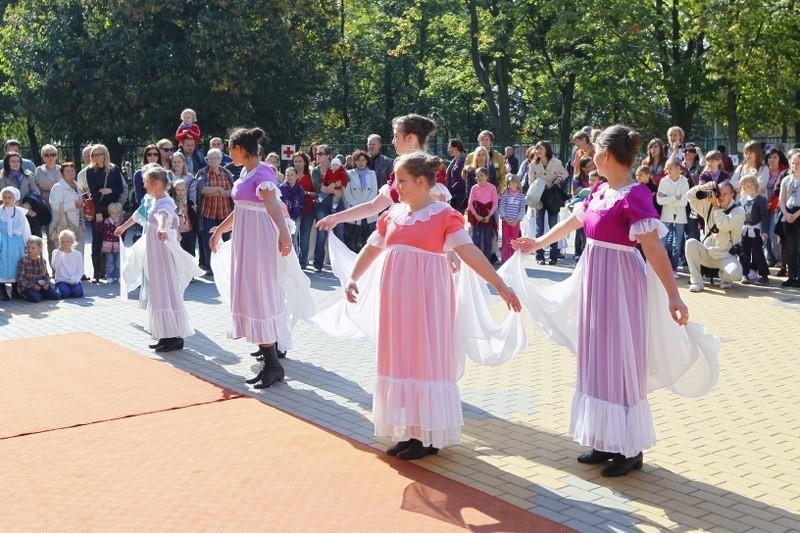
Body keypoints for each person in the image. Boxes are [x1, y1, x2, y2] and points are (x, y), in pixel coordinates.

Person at [511, 124, 716, 477]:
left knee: (620, 359)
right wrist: (537, 243)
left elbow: (654, 249)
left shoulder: (635, 195)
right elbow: (574, 223)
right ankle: (605, 440)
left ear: (606, 155)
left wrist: (673, 295)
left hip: (621, 284)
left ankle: (630, 448)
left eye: (593, 153)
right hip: (595, 280)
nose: (590, 158)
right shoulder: (599, 190)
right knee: (596, 356)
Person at [343, 151, 520, 460]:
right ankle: (410, 430)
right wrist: (353, 277)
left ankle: (428, 436)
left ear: (422, 182)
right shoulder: (392, 215)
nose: (396, 187)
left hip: (428, 300)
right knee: (400, 358)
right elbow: (372, 249)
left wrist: (501, 286)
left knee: (424, 357)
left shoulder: (444, 214)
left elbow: (470, 253)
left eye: (402, 181)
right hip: (396, 302)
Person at [209, 127, 295, 389]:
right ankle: (269, 362)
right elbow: (240, 209)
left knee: (261, 294)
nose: (228, 153)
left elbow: (272, 206)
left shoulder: (263, 172)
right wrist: (220, 231)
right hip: (246, 240)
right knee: (250, 294)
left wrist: (284, 234)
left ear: (238, 149)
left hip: (259, 240)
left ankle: (273, 365)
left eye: (230, 148)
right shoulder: (245, 173)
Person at [116, 164, 200, 352]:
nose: (144, 186)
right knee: (158, 291)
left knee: (165, 291)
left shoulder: (165, 202)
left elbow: (164, 216)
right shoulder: (153, 200)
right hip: (155, 253)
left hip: (162, 253)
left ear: (155, 183)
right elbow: (140, 214)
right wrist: (123, 227)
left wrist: (162, 227)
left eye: (146, 182)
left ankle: (174, 336)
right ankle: (166, 334)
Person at [685, 181, 745, 292]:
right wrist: (703, 187)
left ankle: (725, 277)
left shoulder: (739, 211)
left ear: (732, 194)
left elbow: (723, 225)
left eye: (725, 194)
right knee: (690, 243)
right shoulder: (709, 205)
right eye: (718, 193)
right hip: (708, 253)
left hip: (725, 256)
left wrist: (716, 206)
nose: (720, 197)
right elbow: (689, 196)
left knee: (736, 274)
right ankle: (697, 282)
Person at [85, 144, 125, 283]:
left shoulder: (114, 169)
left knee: (115, 239)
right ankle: (97, 273)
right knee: (97, 240)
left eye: (99, 154)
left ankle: (116, 272)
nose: (97, 157)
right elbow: (94, 193)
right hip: (99, 208)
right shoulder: (90, 171)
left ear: (105, 154)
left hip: (113, 209)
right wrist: (97, 211)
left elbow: (120, 188)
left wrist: (110, 191)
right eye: (94, 155)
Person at [528, 141, 569, 265]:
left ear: (547, 149)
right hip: (539, 196)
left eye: (541, 148)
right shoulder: (533, 164)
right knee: (539, 227)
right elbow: (530, 181)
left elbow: (565, 173)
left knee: (553, 227)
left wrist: (557, 180)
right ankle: (539, 255)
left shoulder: (556, 162)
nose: (538, 151)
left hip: (553, 197)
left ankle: (553, 256)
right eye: (537, 149)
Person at [195, 148, 234, 274]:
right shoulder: (203, 173)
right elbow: (201, 190)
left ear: (220, 159)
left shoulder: (227, 173)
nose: (213, 160)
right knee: (209, 239)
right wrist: (219, 189)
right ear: (207, 159)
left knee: (225, 239)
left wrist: (217, 192)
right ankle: (211, 267)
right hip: (208, 212)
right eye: (211, 158)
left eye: (216, 158)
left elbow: (231, 193)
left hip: (225, 212)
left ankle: (224, 266)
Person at [657, 158, 690, 276]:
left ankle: (674, 269)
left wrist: (667, 198)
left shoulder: (684, 181)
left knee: (677, 244)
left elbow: (685, 202)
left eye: (670, 168)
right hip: (666, 217)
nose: (667, 170)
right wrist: (675, 197)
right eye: (667, 168)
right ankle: (664, 268)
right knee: (665, 243)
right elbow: (659, 200)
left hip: (680, 217)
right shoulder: (663, 181)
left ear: (678, 169)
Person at [342, 149, 378, 253]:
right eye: (358, 160)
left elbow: (374, 191)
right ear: (354, 161)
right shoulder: (349, 174)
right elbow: (347, 192)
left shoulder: (372, 174)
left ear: (367, 161)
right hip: (354, 209)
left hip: (369, 211)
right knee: (352, 241)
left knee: (368, 240)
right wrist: (357, 206)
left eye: (363, 160)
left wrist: (366, 205)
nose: (361, 162)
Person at [48, 163, 85, 260]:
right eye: (67, 171)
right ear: (62, 174)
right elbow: (55, 207)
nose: (70, 173)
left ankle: (79, 274)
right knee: (65, 254)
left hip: (79, 223)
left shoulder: (77, 185)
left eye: (72, 170)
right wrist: (74, 204)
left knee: (79, 252)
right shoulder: (58, 187)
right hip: (64, 225)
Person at [737, 175, 770, 286]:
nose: (746, 187)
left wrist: (765, 231)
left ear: (754, 184)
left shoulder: (761, 200)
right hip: (744, 230)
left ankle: (764, 275)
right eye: (744, 185)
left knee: (758, 253)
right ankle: (744, 273)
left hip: (756, 230)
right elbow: (739, 215)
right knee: (744, 253)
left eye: (748, 184)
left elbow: (765, 217)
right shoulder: (742, 200)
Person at [0, 186, 31, 300]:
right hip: (2, 242)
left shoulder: (19, 213)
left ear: (15, 199)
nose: (6, 200)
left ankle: (15, 289)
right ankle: (2, 290)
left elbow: (25, 228)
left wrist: (26, 241)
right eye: (4, 197)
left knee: (16, 263)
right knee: (2, 263)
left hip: (16, 243)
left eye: (9, 197)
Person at [778, 152, 800, 287]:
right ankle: (792, 275)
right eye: (793, 163)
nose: (795, 166)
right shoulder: (786, 179)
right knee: (791, 249)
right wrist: (786, 214)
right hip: (788, 214)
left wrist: (797, 215)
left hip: (799, 213)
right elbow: (781, 199)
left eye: (798, 163)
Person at [16, 236, 61, 302]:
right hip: (28, 287)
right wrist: (33, 286)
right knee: (36, 298)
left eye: (33, 248)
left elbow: (46, 276)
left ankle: (43, 293)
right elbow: (20, 279)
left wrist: (47, 284)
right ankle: (37, 295)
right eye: (28, 247)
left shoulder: (42, 261)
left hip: (41, 287)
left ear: (39, 249)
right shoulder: (23, 261)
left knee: (57, 295)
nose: (30, 250)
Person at [292, 152, 316, 269]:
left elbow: (316, 193)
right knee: (293, 235)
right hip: (293, 211)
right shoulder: (291, 174)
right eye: (295, 161)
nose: (297, 164)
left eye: (299, 161)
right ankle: (293, 259)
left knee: (305, 236)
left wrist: (305, 193)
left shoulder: (310, 176)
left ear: (305, 162)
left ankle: (303, 261)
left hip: (307, 209)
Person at [467, 168, 498, 260]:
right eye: (478, 176)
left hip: (488, 215)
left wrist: (489, 215)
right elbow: (470, 202)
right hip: (478, 214)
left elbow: (495, 203)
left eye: (482, 175)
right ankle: (476, 259)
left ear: (487, 176)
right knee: (476, 239)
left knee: (487, 239)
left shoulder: (492, 187)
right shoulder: (474, 188)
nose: (479, 177)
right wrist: (476, 215)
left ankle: (486, 259)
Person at [498, 175, 525, 263]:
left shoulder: (521, 197)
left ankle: (514, 260)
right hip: (506, 222)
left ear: (518, 184)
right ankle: (505, 260)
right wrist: (505, 219)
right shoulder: (505, 196)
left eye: (513, 184)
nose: (511, 186)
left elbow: (522, 210)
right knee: (506, 240)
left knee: (514, 241)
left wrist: (516, 220)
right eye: (510, 184)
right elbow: (501, 207)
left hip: (515, 223)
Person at [51, 229, 84, 298]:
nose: (65, 244)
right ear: (60, 242)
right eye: (63, 242)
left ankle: (72, 289)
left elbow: (80, 270)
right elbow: (55, 266)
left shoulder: (77, 254)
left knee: (78, 294)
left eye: (68, 241)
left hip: (73, 280)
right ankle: (61, 289)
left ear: (72, 242)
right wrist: (59, 252)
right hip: (61, 280)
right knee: (65, 294)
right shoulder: (56, 252)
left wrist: (76, 279)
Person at [279, 167, 305, 252]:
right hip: (284, 216)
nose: (289, 177)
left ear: (296, 176)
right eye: (287, 175)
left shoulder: (299, 188)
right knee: (286, 237)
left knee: (294, 237)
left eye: (292, 175)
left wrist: (299, 212)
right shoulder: (281, 188)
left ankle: (296, 257)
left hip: (296, 216)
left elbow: (301, 201)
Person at [171, 179, 198, 258]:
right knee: (179, 255)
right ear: (174, 190)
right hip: (178, 232)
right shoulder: (172, 203)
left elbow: (194, 217)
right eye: (178, 190)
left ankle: (191, 270)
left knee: (191, 254)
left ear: (186, 190)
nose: (180, 192)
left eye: (182, 190)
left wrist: (195, 210)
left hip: (189, 231)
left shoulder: (189, 203)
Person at [102, 202, 124, 283]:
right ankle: (110, 276)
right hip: (108, 246)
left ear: (121, 213)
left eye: (118, 213)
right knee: (109, 261)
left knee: (118, 262)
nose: (115, 215)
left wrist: (118, 224)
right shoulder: (106, 221)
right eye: (113, 213)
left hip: (117, 245)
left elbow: (123, 233)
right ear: (110, 213)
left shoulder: (121, 222)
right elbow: (101, 230)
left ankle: (118, 276)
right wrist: (98, 223)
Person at [446, 139, 467, 212]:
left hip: (460, 196)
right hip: (454, 195)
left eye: (449, 147)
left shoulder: (464, 161)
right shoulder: (455, 160)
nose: (448, 150)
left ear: (455, 148)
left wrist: (450, 190)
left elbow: (462, 180)